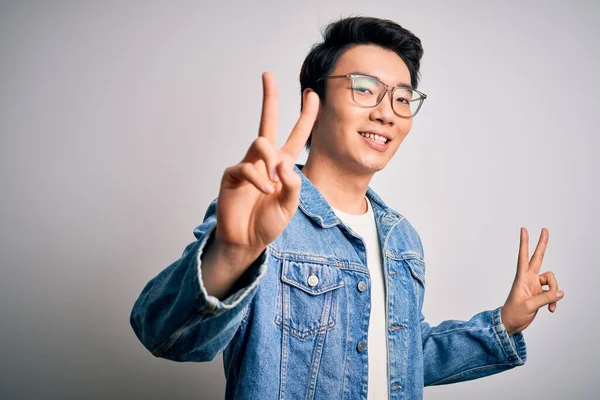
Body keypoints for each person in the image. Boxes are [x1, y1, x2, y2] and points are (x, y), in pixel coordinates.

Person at [130, 16, 564, 399]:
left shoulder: (402, 239)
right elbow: (166, 335)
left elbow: (401, 360)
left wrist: (503, 324)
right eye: (365, 89)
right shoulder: (259, 215)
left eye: (401, 97)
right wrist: (232, 253)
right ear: (312, 102)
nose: (387, 113)